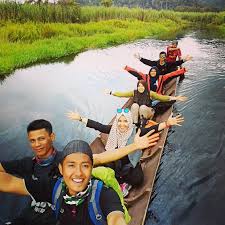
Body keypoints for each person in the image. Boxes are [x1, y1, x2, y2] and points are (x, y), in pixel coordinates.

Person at [0, 119, 159, 224]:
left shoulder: (69, 160)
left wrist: (135, 146)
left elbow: (104, 156)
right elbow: (6, 182)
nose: (37, 145)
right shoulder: (39, 175)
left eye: (41, 139)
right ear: (62, 170)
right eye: (32, 140)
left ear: (52, 137)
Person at [0, 140, 129, 225]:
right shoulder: (54, 187)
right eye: (71, 166)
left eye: (85, 166)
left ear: (91, 169)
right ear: (61, 169)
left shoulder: (104, 195)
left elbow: (116, 217)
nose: (78, 173)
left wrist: (135, 146)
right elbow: (9, 182)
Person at [66, 108, 184, 191]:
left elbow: (155, 127)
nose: (122, 124)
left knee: (138, 180)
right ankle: (118, 179)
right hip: (115, 162)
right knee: (104, 165)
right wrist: (80, 118)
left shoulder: (135, 131)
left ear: (129, 121)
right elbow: (97, 125)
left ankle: (122, 181)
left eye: (125, 121)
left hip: (129, 164)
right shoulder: (113, 129)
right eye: (120, 121)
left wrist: (167, 123)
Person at [106, 80, 187, 124]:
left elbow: (162, 98)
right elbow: (122, 94)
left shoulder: (150, 93)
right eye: (139, 86)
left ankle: (144, 123)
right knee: (134, 106)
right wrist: (111, 92)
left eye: (142, 86)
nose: (140, 88)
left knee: (142, 107)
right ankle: (136, 122)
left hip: (148, 112)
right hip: (139, 114)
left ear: (145, 86)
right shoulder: (134, 92)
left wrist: (175, 97)